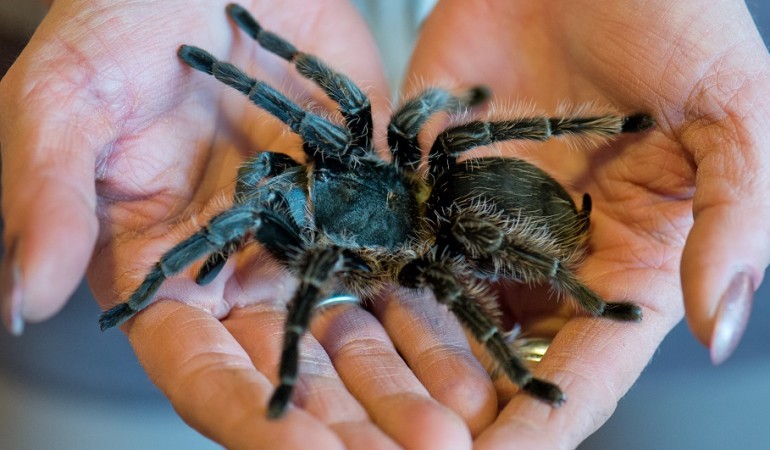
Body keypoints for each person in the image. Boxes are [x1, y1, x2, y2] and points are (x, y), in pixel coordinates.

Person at [1, 0, 768, 448]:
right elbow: (347, 111)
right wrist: (245, 48)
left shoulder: (354, 237)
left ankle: (579, 302)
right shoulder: (373, 160)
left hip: (460, 230)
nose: (297, 172)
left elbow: (315, 203)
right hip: (428, 203)